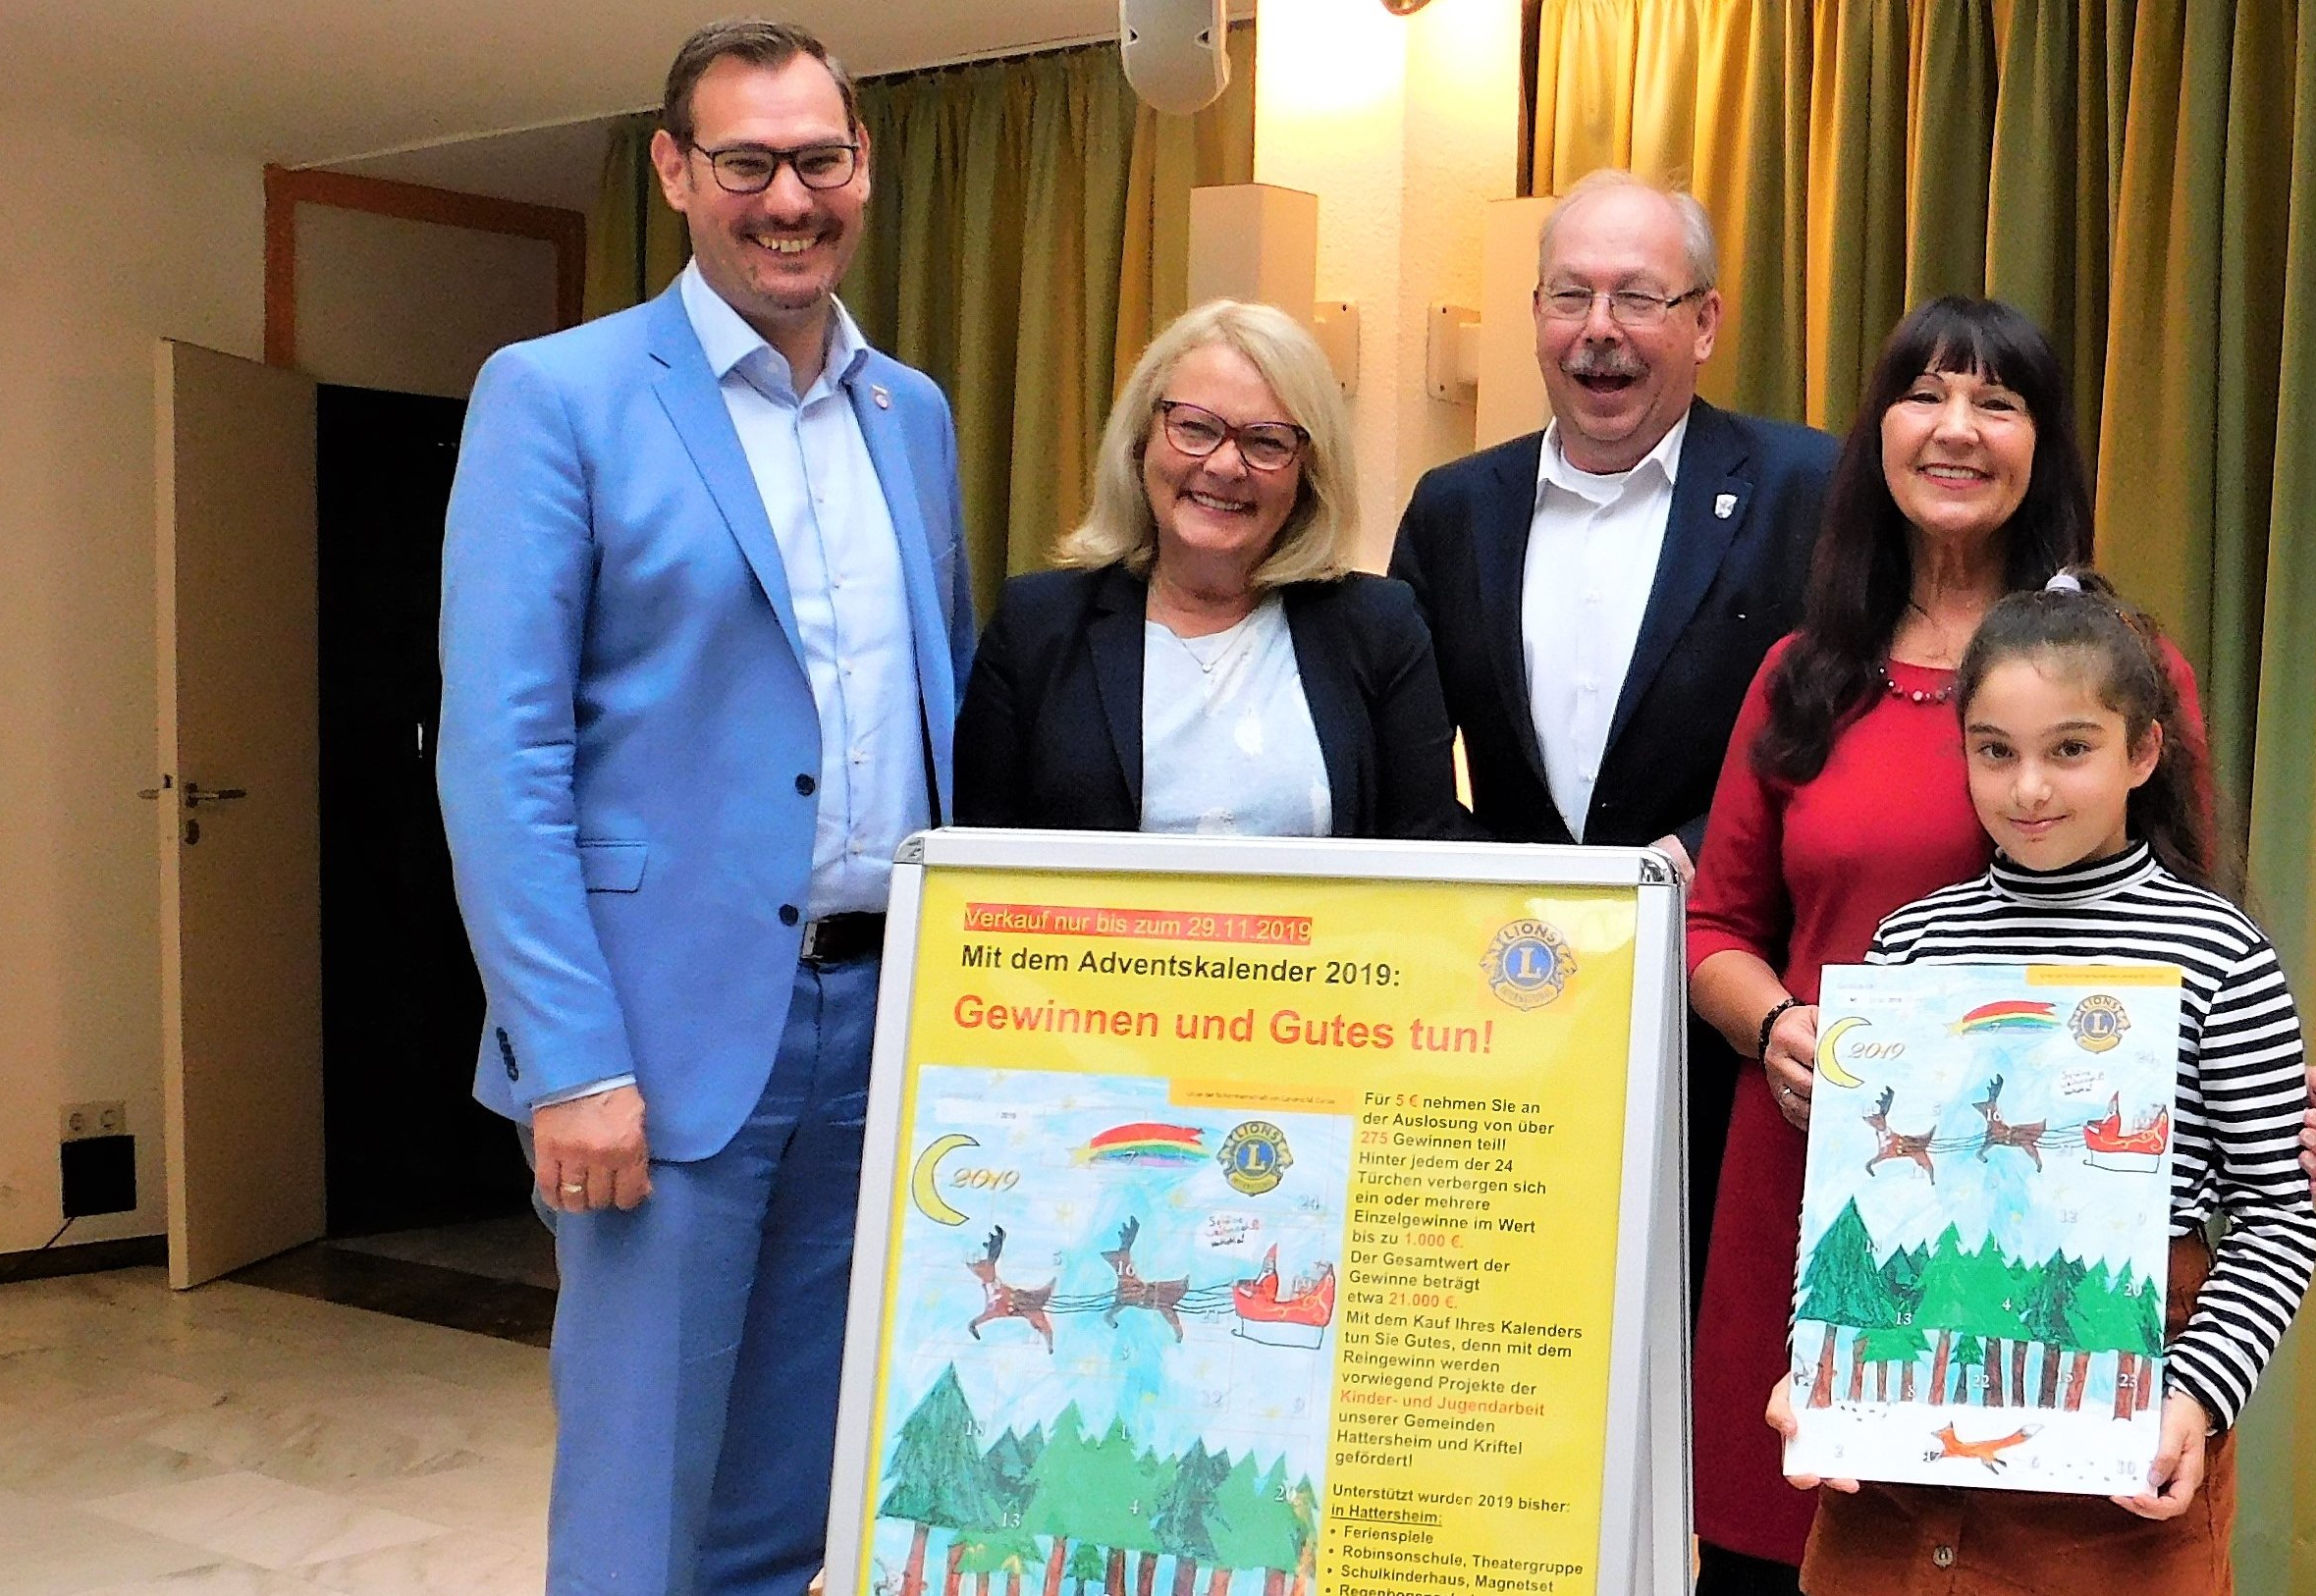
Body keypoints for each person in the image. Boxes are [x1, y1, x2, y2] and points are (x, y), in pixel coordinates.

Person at [1681, 295, 2316, 1594]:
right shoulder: (1808, 680)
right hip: (1845, 1207)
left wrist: (2275, 1105)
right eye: (1926, 392)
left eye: (1996, 400)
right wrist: (1781, 1028)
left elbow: (2186, 934)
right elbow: (1715, 919)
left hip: (2114, 1309)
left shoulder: (2130, 667)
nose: (2029, 785)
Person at [436, 19, 969, 1595]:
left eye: (819, 159)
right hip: (655, 1052)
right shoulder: (560, 395)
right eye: (747, 163)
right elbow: (501, 755)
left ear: (863, 171)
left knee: (798, 1486)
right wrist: (572, 1058)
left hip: (882, 1032)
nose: (787, 198)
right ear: (677, 172)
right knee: (641, 1493)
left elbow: (931, 711)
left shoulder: (912, 414)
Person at [1763, 574, 2316, 1590]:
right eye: (1994, 751)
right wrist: (1818, 1369)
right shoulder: (1913, 944)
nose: (2028, 789)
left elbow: (2277, 1219)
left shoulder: (2216, 954)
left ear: (2141, 752)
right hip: (1893, 1474)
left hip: (2116, 1466)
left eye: (2070, 749)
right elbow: (1861, 1203)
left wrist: (2189, 1401)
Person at [1388, 169, 1838, 1289]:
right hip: (1507, 1017)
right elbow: (1397, 759)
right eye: (1567, 296)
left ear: (1704, 322)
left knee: (1701, 1364)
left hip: (1727, 1022)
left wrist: (1696, 853)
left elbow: (1837, 726)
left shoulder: (1807, 488)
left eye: (1637, 297)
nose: (1599, 332)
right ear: (1534, 318)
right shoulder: (1454, 508)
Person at [957, 299, 1469, 839]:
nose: (1225, 466)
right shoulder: (1035, 627)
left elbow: (1423, 866)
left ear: (1308, 473)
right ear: (1140, 442)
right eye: (1196, 428)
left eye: (1266, 441)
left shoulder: (1381, 630)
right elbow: (979, 873)